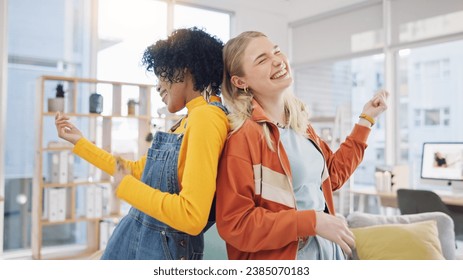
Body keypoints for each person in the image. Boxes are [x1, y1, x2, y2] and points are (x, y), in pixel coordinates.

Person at [54, 27, 229, 260]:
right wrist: (81, 143)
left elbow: (191, 216)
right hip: (141, 241)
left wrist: (125, 187)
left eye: (161, 73)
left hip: (158, 251)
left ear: (184, 70)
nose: (157, 85)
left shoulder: (206, 118)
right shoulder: (188, 120)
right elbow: (137, 170)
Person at [215, 31, 389, 260]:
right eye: (262, 59)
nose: (277, 60)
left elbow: (333, 175)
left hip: (327, 254)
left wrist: (366, 119)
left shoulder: (300, 126)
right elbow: (236, 224)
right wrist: (312, 221)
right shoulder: (243, 137)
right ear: (240, 81)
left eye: (276, 51)